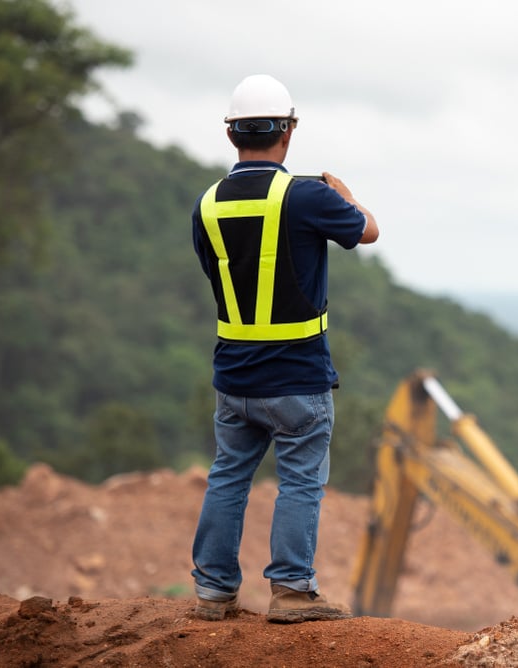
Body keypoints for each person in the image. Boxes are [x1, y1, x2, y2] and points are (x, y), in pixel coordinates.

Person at [189, 74, 379, 623]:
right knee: (299, 480)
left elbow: (217, 274)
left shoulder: (207, 206)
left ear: (232, 135)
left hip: (234, 377)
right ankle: (292, 591)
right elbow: (366, 232)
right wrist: (347, 197)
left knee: (228, 475)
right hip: (297, 377)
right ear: (288, 132)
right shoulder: (306, 195)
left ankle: (213, 592)